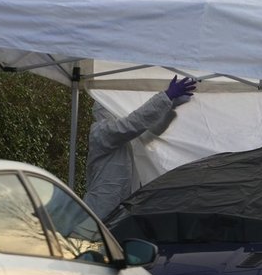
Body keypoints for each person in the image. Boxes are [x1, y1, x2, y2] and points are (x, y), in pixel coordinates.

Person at [83, 75, 197, 219]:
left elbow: (150, 132)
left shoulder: (124, 138)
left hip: (119, 210)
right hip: (100, 211)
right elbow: (133, 124)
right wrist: (165, 97)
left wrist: (170, 106)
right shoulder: (100, 132)